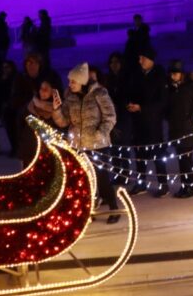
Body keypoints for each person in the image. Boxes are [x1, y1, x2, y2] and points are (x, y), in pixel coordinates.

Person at [53, 63, 120, 223]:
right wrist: (56, 110)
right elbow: (63, 122)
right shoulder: (70, 97)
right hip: (78, 145)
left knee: (102, 178)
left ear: (82, 81)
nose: (69, 84)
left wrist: (100, 133)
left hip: (98, 145)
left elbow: (110, 116)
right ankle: (88, 211)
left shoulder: (99, 93)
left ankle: (114, 208)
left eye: (72, 81)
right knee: (84, 181)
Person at [127, 46, 168, 196]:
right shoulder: (137, 74)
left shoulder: (159, 75)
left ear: (150, 60)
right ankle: (141, 183)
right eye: (139, 58)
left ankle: (163, 184)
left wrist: (142, 108)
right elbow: (132, 91)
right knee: (139, 155)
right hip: (138, 122)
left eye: (143, 58)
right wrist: (131, 104)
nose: (140, 61)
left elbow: (162, 101)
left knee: (158, 155)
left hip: (153, 123)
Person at [166, 59, 193, 198]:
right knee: (182, 159)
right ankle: (185, 186)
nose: (173, 76)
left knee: (186, 159)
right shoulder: (171, 88)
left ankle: (189, 187)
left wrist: (191, 118)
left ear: (182, 74)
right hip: (176, 129)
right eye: (172, 74)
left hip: (187, 129)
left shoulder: (190, 87)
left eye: (176, 74)